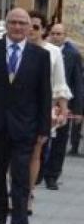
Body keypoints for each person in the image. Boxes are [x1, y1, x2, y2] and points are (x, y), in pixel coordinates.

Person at [0, 8, 52, 224]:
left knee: (20, 177)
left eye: (22, 23)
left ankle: (20, 222)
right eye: (13, 23)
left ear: (30, 27)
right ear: (6, 25)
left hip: (24, 126)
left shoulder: (40, 55)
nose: (18, 27)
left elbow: (44, 94)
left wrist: (43, 128)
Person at [25, 11, 71, 204]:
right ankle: (15, 187)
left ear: (43, 30)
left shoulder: (53, 52)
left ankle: (28, 192)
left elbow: (60, 83)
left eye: (36, 27)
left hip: (43, 107)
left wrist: (64, 109)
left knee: (35, 151)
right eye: (30, 26)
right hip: (18, 106)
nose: (32, 30)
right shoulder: (19, 49)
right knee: (15, 153)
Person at [42, 22, 84, 187]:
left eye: (60, 34)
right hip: (44, 102)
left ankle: (52, 175)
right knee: (42, 138)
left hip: (63, 104)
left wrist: (78, 109)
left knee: (60, 141)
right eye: (54, 33)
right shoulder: (43, 50)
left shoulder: (73, 55)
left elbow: (78, 83)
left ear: (65, 36)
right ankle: (39, 171)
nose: (56, 36)